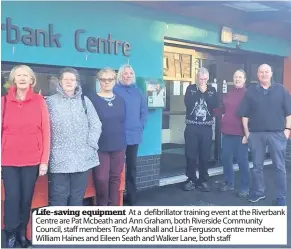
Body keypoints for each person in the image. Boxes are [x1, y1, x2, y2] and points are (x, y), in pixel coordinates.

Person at [1, 65, 50, 248]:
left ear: (31, 80)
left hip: (32, 159)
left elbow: (46, 131)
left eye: (26, 75)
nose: (22, 78)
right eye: (18, 75)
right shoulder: (3, 102)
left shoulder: (39, 101)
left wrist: (44, 160)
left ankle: (22, 233)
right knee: (12, 197)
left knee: (26, 198)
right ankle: (10, 233)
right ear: (14, 79)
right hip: (8, 159)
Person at [46, 67, 102, 206]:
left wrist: (91, 144)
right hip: (59, 159)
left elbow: (96, 124)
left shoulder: (85, 101)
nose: (69, 82)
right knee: (58, 197)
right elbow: (44, 128)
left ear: (77, 82)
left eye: (72, 79)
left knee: (77, 197)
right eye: (66, 79)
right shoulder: (50, 102)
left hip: (81, 158)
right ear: (60, 81)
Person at [238, 64, 291, 205]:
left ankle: (281, 197)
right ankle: (258, 192)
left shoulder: (281, 90)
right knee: (257, 166)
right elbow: (244, 115)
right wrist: (247, 133)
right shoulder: (250, 92)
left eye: (267, 71)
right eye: (261, 72)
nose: (264, 74)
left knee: (279, 167)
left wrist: (287, 130)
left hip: (277, 134)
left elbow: (289, 112)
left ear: (271, 73)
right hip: (256, 135)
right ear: (257, 74)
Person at [87, 68, 126, 206]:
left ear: (114, 81)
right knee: (101, 179)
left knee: (115, 179)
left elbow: (122, 121)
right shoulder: (91, 99)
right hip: (100, 146)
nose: (107, 82)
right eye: (104, 79)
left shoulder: (121, 100)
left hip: (118, 145)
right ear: (99, 81)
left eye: (110, 79)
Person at [114, 64, 148, 206]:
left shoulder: (138, 91)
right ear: (120, 75)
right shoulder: (115, 90)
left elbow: (144, 111)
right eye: (125, 73)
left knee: (132, 167)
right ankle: (116, 198)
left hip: (134, 135)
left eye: (130, 73)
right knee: (117, 168)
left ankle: (132, 196)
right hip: (118, 135)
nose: (128, 76)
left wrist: (140, 126)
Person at [183, 67, 218, 192]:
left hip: (206, 128)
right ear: (196, 78)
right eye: (200, 78)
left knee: (205, 155)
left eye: (204, 79)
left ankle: (203, 179)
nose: (202, 81)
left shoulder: (212, 90)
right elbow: (188, 103)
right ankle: (191, 179)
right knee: (190, 154)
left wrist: (205, 92)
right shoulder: (190, 89)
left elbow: (214, 105)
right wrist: (200, 92)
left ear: (207, 78)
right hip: (192, 126)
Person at [218, 70, 250, 197]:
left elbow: (251, 115)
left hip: (241, 134)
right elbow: (223, 109)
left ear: (245, 79)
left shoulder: (248, 95)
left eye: (240, 77)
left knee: (242, 161)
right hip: (227, 132)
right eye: (236, 76)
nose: (237, 79)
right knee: (226, 159)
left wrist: (247, 134)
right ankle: (229, 182)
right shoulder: (229, 93)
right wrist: (216, 113)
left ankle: (245, 187)